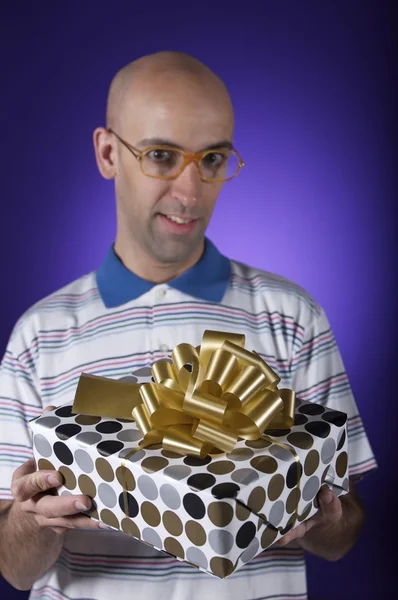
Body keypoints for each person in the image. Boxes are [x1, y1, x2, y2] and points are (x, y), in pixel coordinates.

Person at [0, 51, 376, 600]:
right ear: (108, 152)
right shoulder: (40, 335)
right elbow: (15, 570)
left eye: (213, 159)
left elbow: (344, 533)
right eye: (160, 155)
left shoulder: (291, 316)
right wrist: (33, 523)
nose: (191, 191)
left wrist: (318, 517)